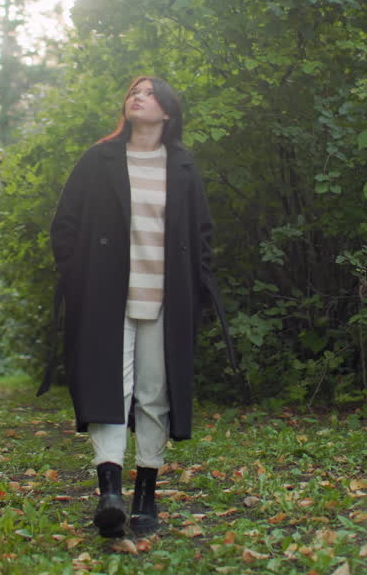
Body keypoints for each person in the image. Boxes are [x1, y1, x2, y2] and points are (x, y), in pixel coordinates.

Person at [45, 76, 233, 538]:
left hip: (168, 297)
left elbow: (203, 235)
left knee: (154, 393)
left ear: (166, 111)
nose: (137, 97)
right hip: (107, 296)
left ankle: (146, 492)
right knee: (111, 386)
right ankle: (109, 492)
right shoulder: (99, 159)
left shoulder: (183, 165)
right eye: (133, 91)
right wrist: (80, 276)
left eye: (148, 93)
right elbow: (64, 225)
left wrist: (196, 281)